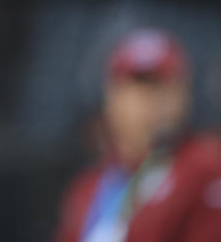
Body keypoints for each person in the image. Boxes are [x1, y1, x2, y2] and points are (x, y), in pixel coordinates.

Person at [53, 28, 221, 242]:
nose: (153, 101)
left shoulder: (203, 170)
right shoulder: (88, 186)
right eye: (139, 86)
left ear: (184, 95)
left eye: (164, 86)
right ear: (112, 97)